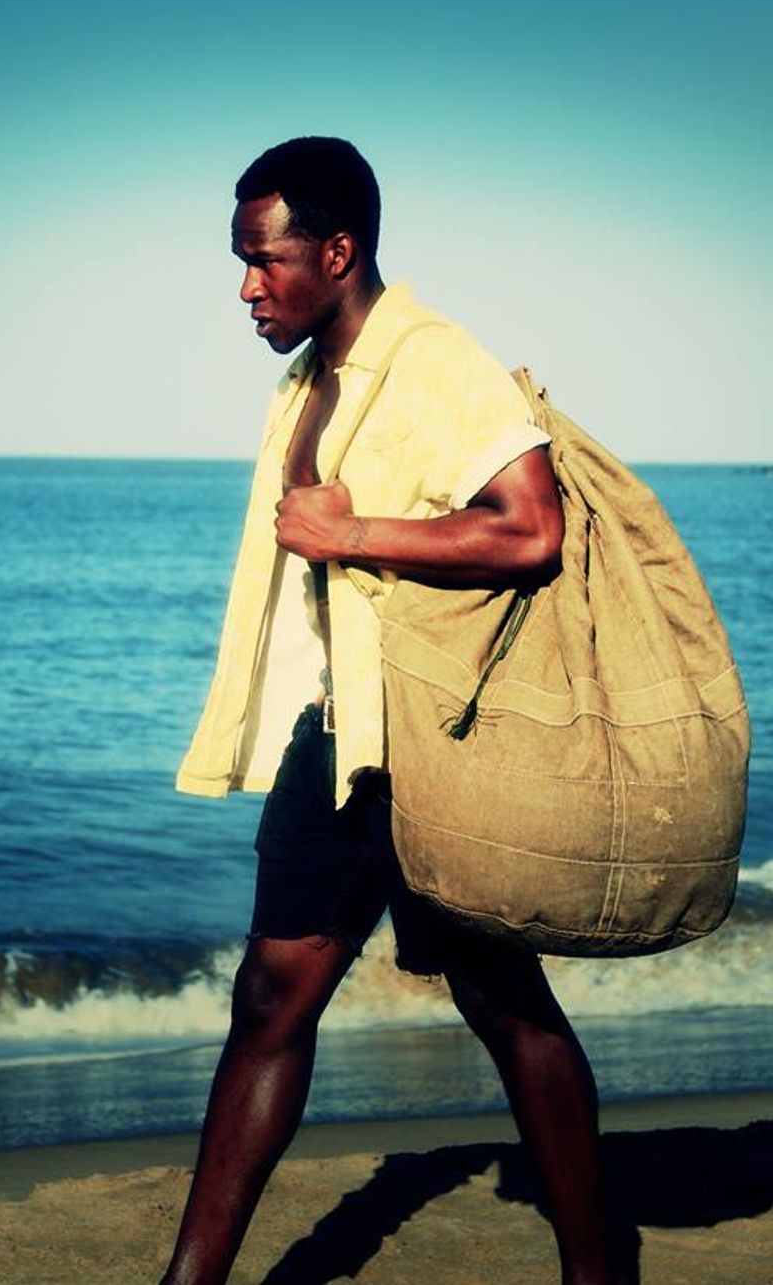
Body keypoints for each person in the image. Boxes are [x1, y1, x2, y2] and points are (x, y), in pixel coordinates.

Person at [162, 137, 617, 1285]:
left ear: (337, 250)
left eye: (263, 261)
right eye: (240, 263)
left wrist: (352, 531)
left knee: (501, 1000)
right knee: (271, 997)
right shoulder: (308, 378)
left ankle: (594, 1269)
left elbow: (531, 527)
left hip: (435, 744)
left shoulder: (435, 361)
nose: (246, 288)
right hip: (337, 736)